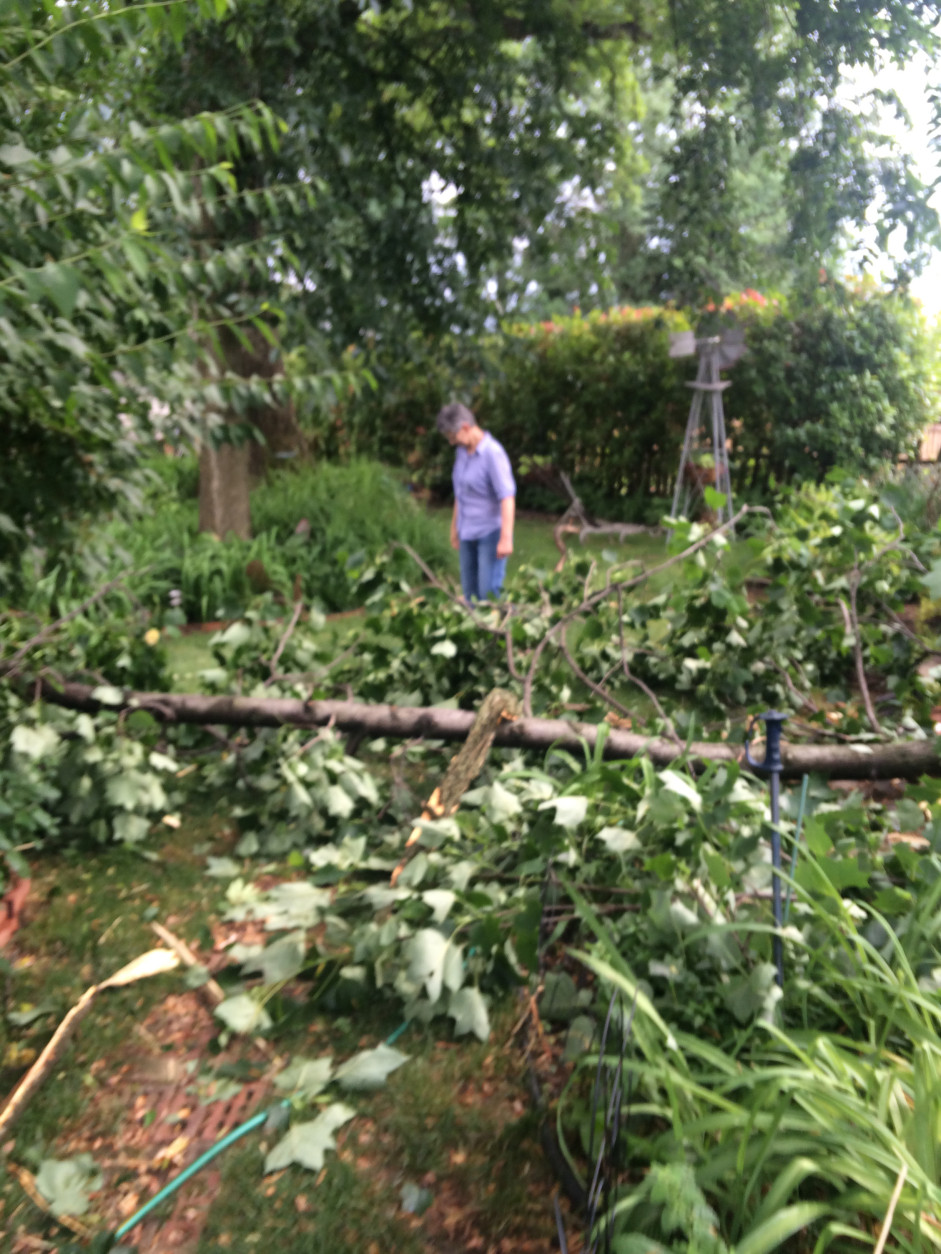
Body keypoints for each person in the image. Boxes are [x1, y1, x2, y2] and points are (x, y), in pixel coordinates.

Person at [436, 402, 516, 601]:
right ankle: (476, 623)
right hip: (467, 532)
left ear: (465, 427)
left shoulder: (493, 453)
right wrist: (454, 528)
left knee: (488, 594)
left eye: (452, 437)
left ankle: (505, 621)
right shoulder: (462, 453)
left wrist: (506, 538)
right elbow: (460, 494)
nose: (451, 443)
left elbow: (507, 497)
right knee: (470, 594)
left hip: (490, 533)